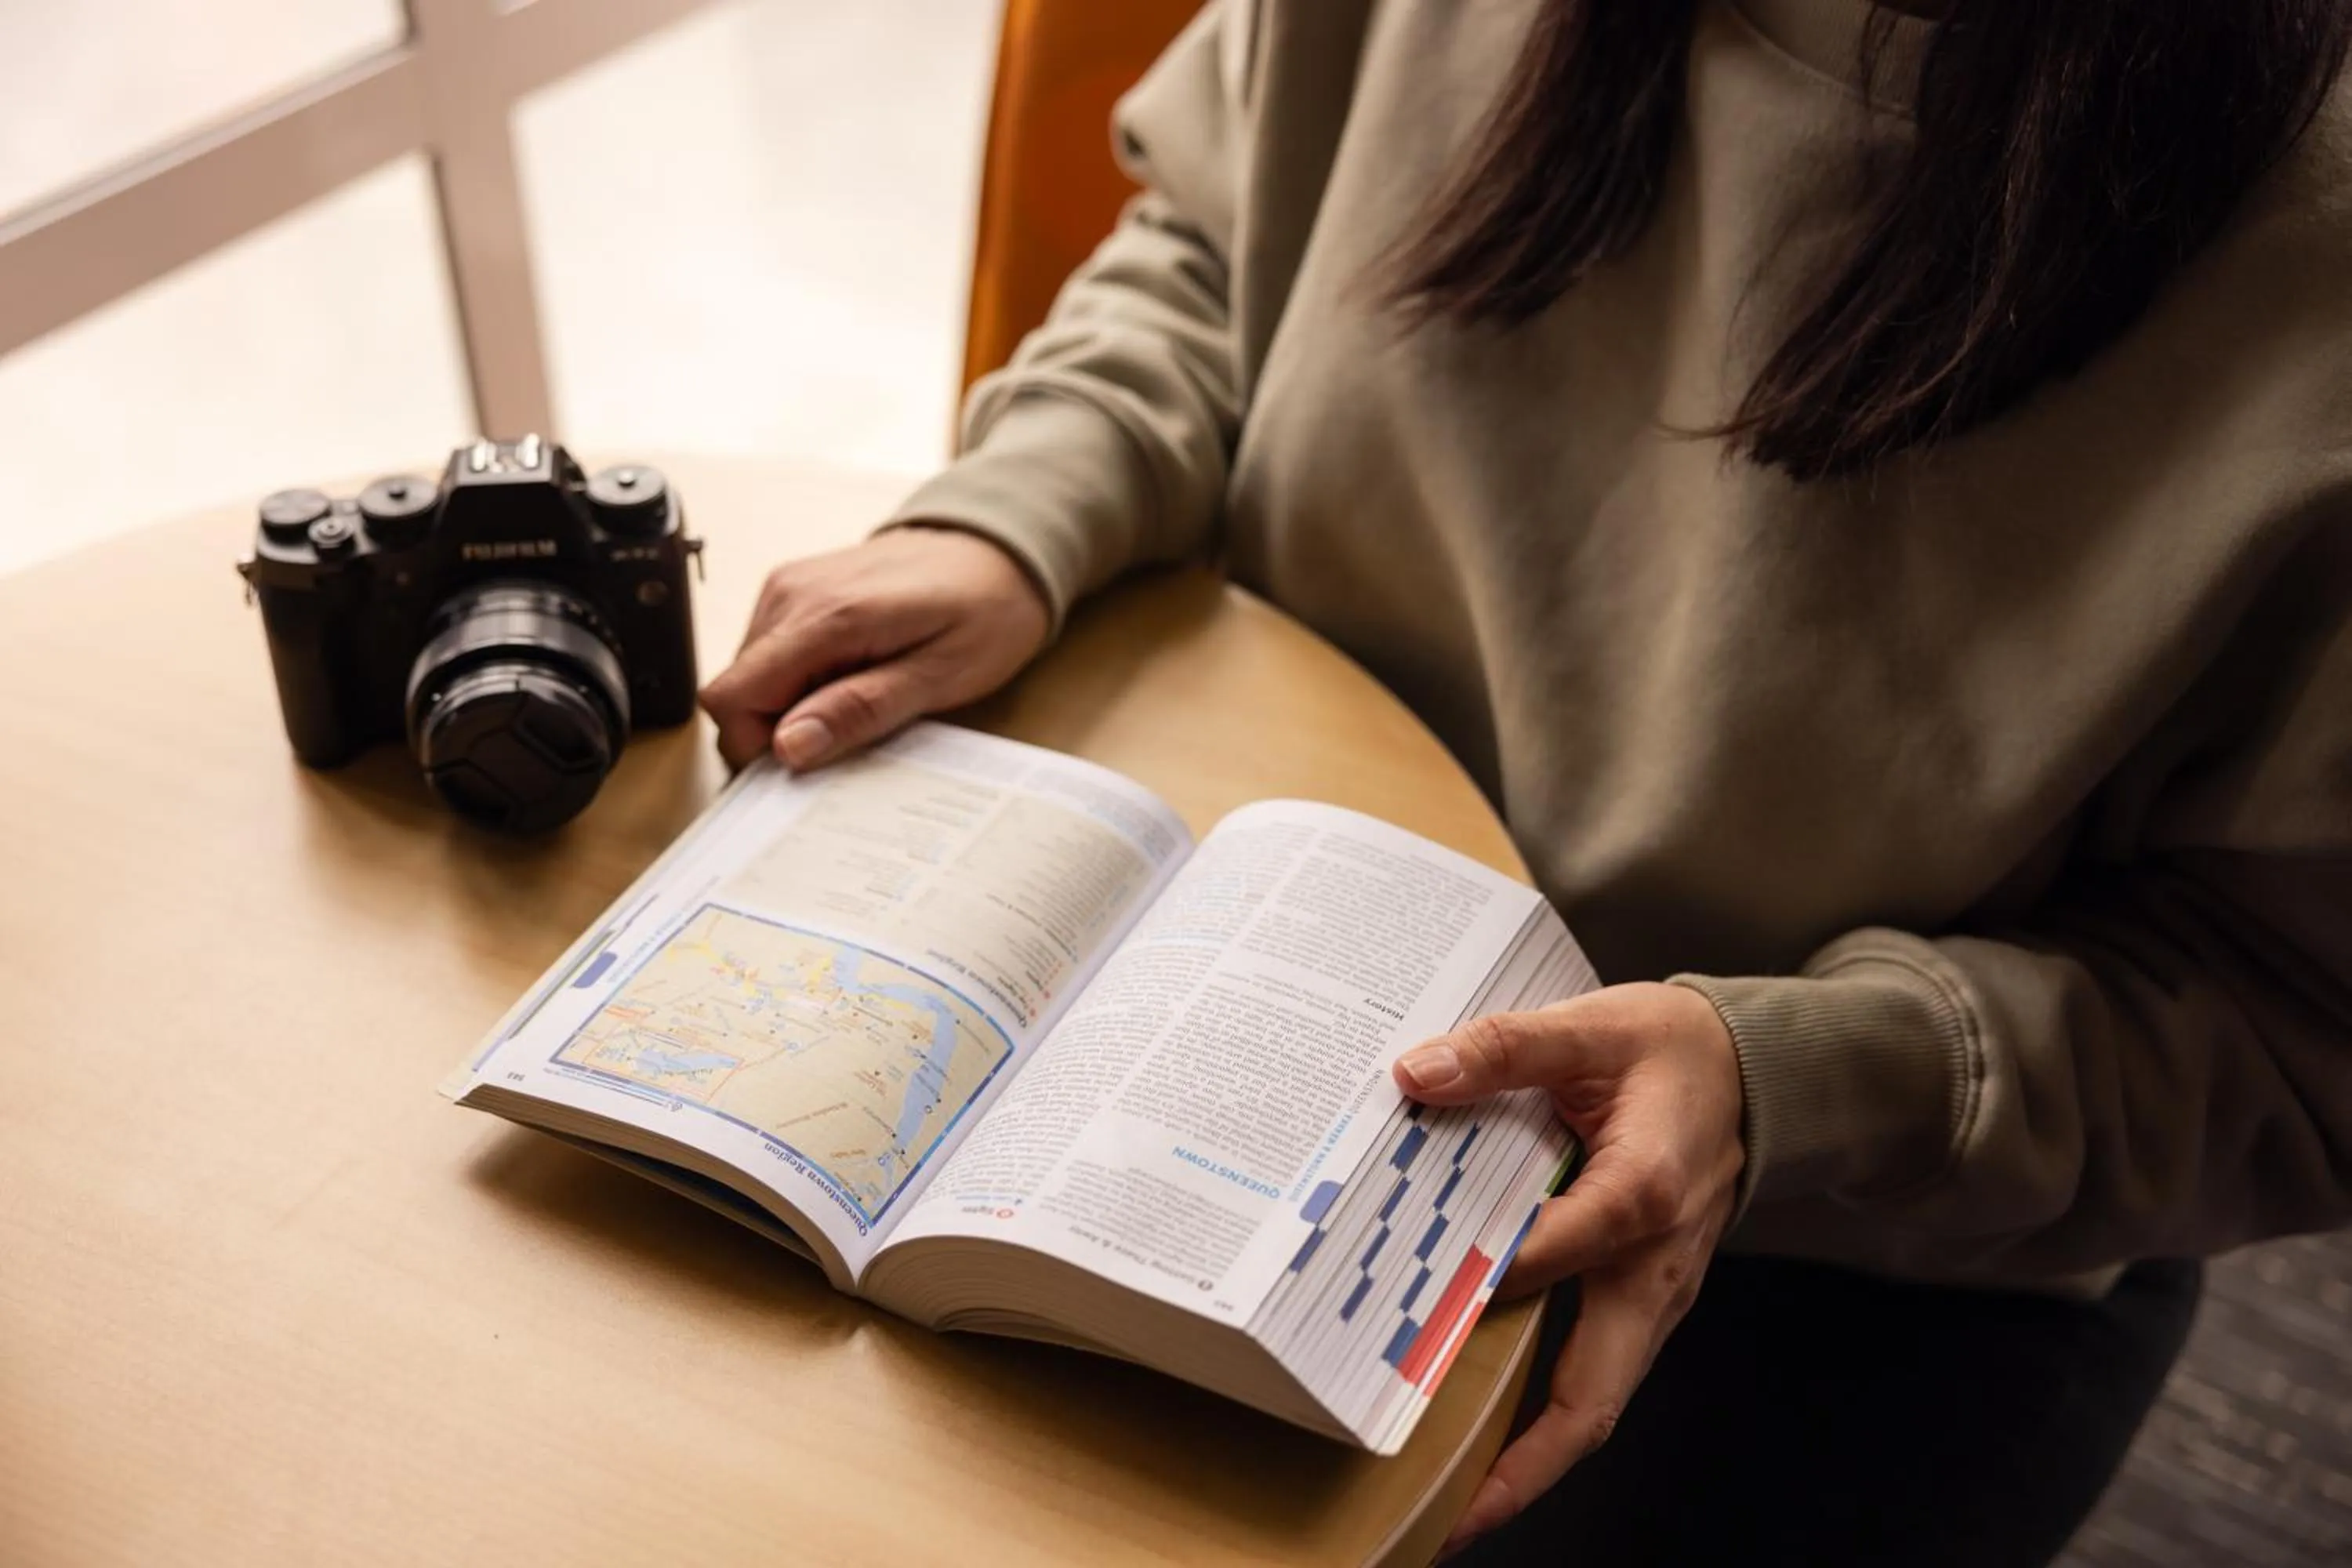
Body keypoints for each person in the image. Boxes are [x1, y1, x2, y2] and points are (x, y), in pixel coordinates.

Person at [700, 2, 2352, 1561]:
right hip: (1220, 953)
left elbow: (2294, 1026)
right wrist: (1020, 507)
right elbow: (1218, 240)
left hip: (1849, 1234)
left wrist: (1801, 1077)